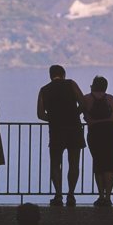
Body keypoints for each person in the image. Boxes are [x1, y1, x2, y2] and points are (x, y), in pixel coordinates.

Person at [37, 64, 86, 206]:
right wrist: (74, 114)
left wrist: (53, 119)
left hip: (56, 131)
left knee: (55, 164)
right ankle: (71, 195)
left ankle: (58, 195)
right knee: (74, 163)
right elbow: (83, 103)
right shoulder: (71, 84)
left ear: (50, 76)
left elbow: (40, 114)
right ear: (64, 74)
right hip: (74, 129)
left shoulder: (44, 90)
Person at [81, 76, 113, 207]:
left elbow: (86, 117)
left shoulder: (86, 98)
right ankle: (108, 198)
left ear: (92, 85)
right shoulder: (110, 98)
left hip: (96, 132)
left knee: (99, 164)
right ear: (106, 86)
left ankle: (100, 196)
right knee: (110, 164)